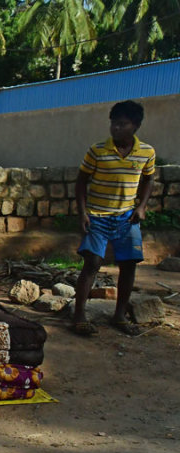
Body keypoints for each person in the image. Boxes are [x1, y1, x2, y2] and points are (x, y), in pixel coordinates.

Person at [71, 100, 155, 336]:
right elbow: (80, 182)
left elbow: (149, 179)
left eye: (122, 124)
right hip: (97, 216)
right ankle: (79, 316)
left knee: (129, 265)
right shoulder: (97, 151)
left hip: (127, 218)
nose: (116, 128)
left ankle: (119, 316)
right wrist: (83, 213)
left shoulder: (146, 153)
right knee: (93, 263)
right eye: (113, 124)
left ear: (135, 126)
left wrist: (142, 207)